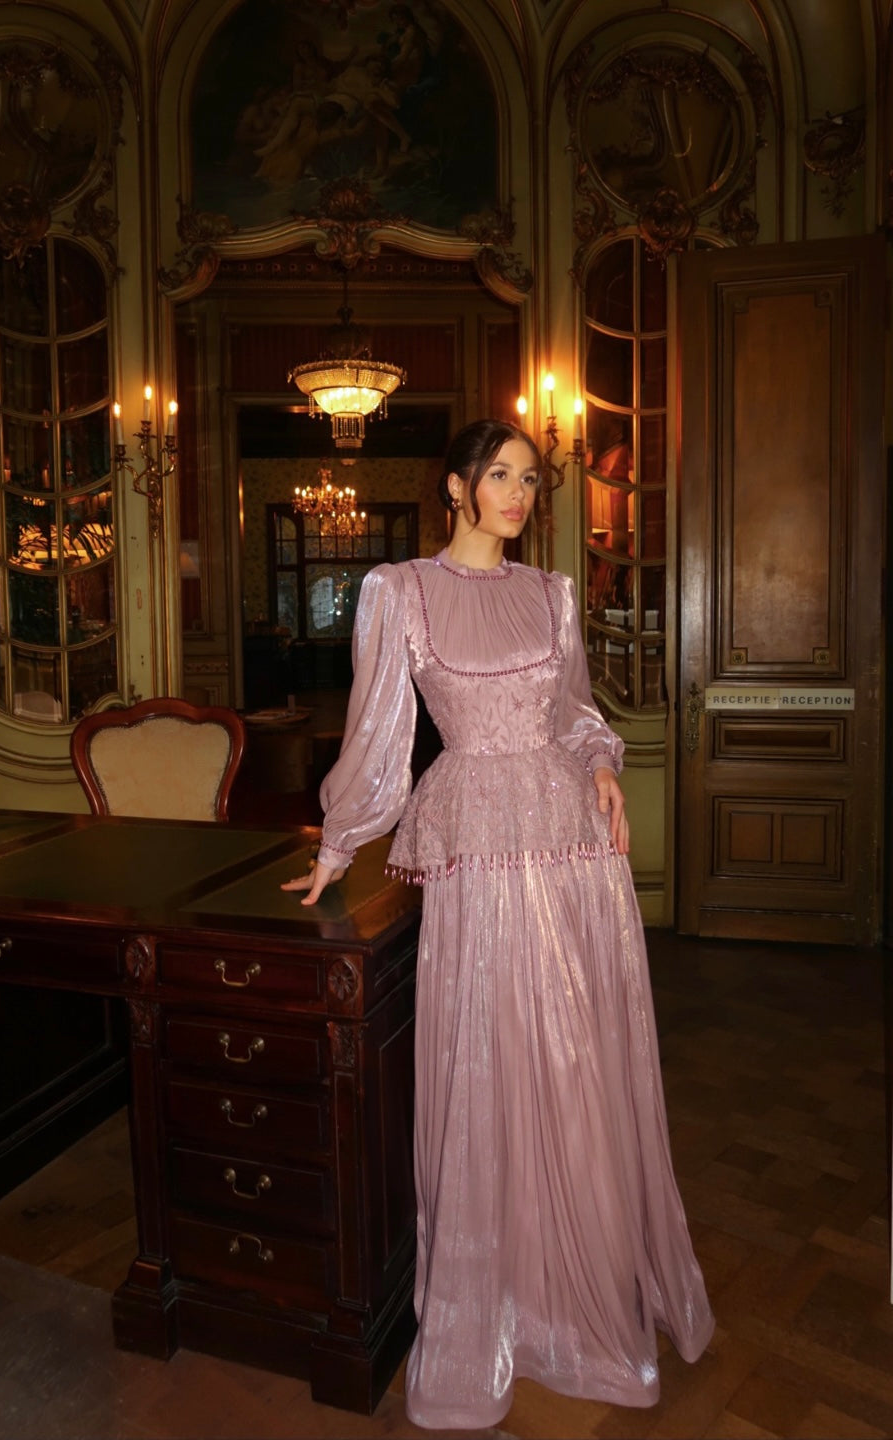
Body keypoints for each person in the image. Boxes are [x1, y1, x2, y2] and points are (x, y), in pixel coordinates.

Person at [282, 418, 714, 1429]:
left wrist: (601, 765)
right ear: (456, 487)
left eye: (529, 478)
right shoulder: (399, 590)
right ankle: (499, 1299)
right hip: (479, 847)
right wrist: (337, 846)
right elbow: (379, 731)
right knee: (489, 1057)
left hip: (573, 852)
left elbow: (574, 712)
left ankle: (579, 1294)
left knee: (575, 1061)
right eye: (501, 475)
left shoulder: (552, 593)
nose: (519, 494)